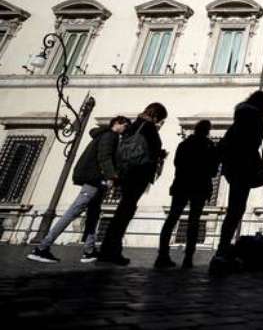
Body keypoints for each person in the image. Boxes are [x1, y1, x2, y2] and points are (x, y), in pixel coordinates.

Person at [27, 116, 130, 264]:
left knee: (93, 215)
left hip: (96, 181)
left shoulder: (104, 135)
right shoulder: (110, 136)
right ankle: (42, 248)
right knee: (73, 212)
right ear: (117, 123)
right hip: (95, 180)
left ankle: (89, 251)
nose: (126, 128)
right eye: (125, 125)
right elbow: (104, 157)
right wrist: (111, 177)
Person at [98, 103, 168, 266]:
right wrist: (160, 153)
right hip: (138, 174)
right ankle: (111, 250)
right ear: (157, 116)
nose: (160, 123)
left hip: (126, 172)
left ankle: (109, 249)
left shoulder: (134, 124)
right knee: (125, 212)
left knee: (122, 210)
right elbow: (153, 150)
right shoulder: (149, 128)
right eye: (161, 119)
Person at [211, 90, 263, 269]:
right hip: (242, 168)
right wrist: (258, 167)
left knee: (235, 209)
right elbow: (249, 146)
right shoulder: (254, 118)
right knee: (236, 210)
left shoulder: (242, 116)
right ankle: (222, 252)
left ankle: (223, 249)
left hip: (234, 168)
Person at [155, 119, 219, 269]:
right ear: (208, 131)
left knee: (172, 218)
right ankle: (188, 258)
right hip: (200, 187)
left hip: (182, 185)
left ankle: (162, 254)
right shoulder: (209, 147)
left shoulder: (184, 144)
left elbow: (177, 163)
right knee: (194, 221)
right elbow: (213, 170)